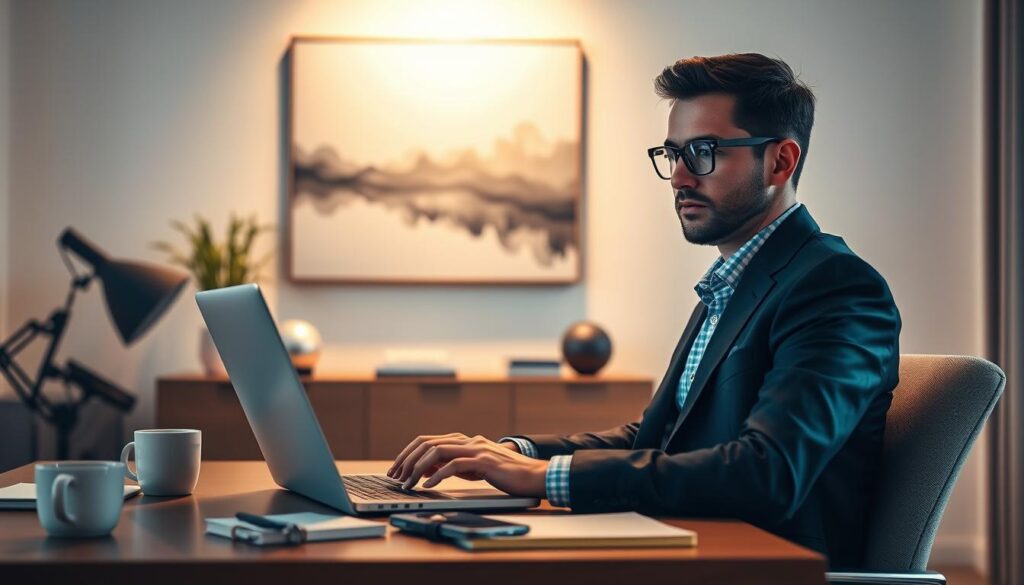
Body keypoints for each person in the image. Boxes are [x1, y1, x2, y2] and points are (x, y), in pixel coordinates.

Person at [386, 53, 901, 570]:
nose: (678, 178)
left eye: (703, 152)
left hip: (757, 564)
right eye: (672, 154)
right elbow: (659, 438)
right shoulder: (735, 285)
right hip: (691, 546)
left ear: (780, 162)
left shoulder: (836, 287)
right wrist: (514, 452)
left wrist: (544, 479)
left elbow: (767, 473)